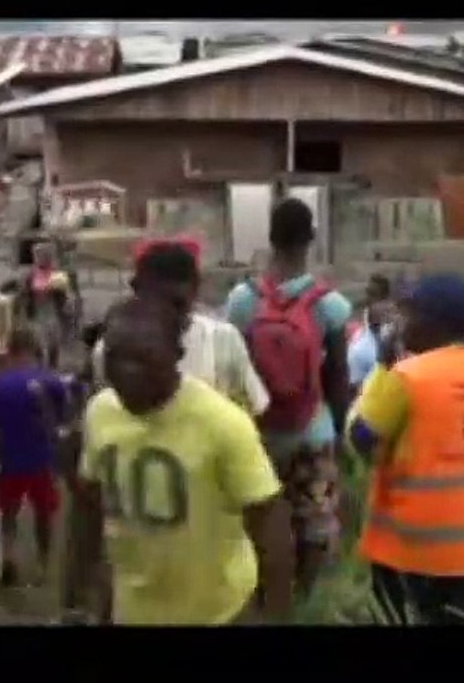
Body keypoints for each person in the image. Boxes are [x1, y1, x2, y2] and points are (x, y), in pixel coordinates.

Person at [79, 296, 294, 624]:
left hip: (218, 613)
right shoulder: (99, 413)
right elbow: (90, 506)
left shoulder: (222, 424)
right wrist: (84, 592)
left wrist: (276, 612)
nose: (126, 373)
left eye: (143, 359)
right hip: (133, 611)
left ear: (177, 355)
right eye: (114, 358)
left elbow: (269, 522)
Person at [348, 275, 464, 625]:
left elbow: (361, 438)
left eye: (409, 315)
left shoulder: (405, 377)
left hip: (410, 544)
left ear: (433, 322)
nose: (401, 326)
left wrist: (379, 374)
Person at [225, 198, 351, 597]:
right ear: (310, 239)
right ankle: (305, 598)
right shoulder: (330, 304)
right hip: (312, 428)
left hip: (258, 432)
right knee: (313, 524)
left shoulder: (242, 300)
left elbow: (235, 368)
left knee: (261, 518)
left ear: (270, 238)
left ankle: (264, 593)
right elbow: (337, 375)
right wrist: (340, 430)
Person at [93, 240, 269, 416]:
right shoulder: (111, 352)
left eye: (177, 305)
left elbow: (254, 408)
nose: (167, 315)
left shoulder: (222, 340)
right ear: (136, 291)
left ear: (195, 291)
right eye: (156, 303)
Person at [0, 328, 69, 586]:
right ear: (35, 350)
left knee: (8, 512)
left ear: (10, 350)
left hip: (9, 458)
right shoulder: (52, 382)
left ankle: (9, 556)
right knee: (43, 515)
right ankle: (43, 565)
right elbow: (62, 418)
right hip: (42, 459)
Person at [20, 242, 74, 369]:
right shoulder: (30, 275)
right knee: (38, 342)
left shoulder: (57, 275)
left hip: (54, 312)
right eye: (38, 255)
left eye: (44, 255)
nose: (40, 258)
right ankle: (40, 367)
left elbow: (68, 295)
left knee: (53, 344)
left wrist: (65, 298)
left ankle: (52, 367)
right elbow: (24, 294)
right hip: (37, 313)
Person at [347, 275, 395, 396]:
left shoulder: (393, 321)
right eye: (368, 292)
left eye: (373, 294)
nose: (368, 298)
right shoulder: (363, 317)